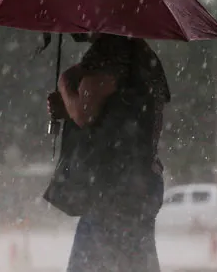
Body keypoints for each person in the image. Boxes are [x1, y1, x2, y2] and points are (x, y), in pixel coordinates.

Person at [45, 33, 170, 272]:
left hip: (112, 188)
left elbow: (84, 112)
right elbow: (113, 114)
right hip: (140, 182)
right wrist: (70, 106)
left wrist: (64, 85)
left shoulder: (111, 50)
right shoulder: (142, 54)